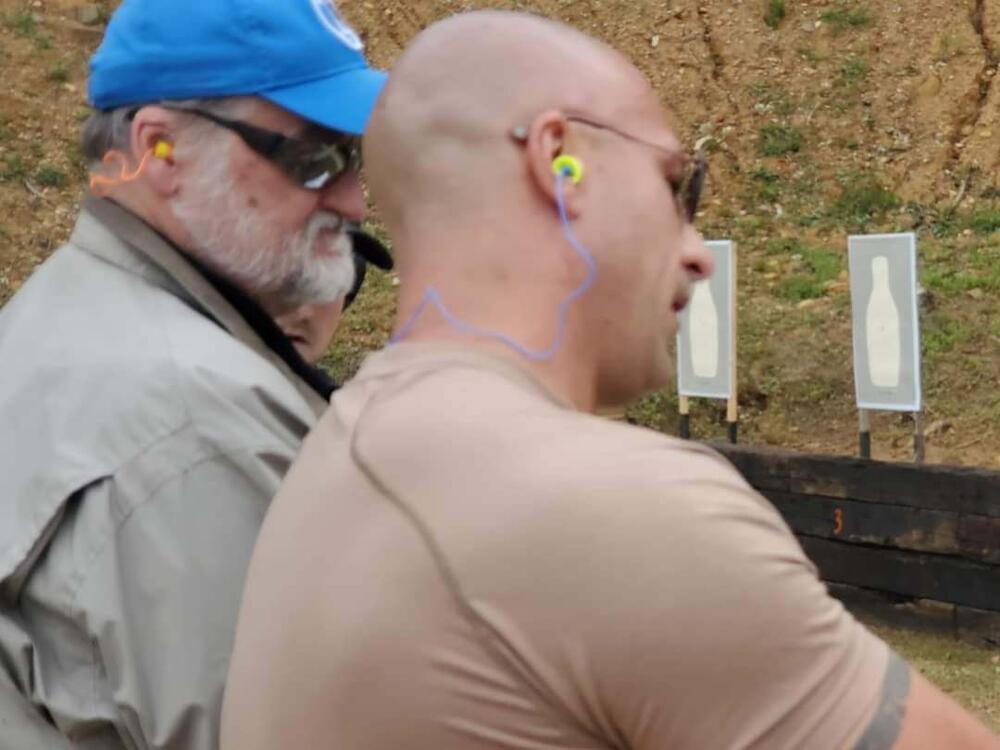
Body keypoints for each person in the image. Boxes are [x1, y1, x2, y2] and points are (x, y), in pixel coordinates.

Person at [221, 11, 999, 750]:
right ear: (560, 162)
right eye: (677, 185)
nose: (697, 250)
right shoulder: (614, 503)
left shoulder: (343, 439)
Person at [0, 0, 391, 747]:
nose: (351, 200)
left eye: (354, 156)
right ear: (161, 148)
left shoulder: (66, 311)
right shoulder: (192, 427)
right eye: (313, 159)